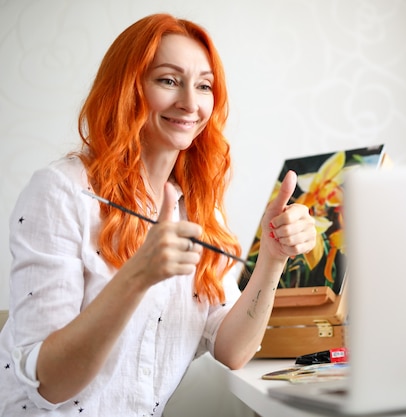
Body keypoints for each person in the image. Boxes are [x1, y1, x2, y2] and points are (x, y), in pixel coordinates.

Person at [0, 13, 316, 416]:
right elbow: (50, 385)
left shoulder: (199, 208)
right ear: (127, 90)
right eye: (168, 80)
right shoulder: (61, 192)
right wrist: (138, 274)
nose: (190, 102)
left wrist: (271, 260)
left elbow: (232, 349)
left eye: (204, 86)